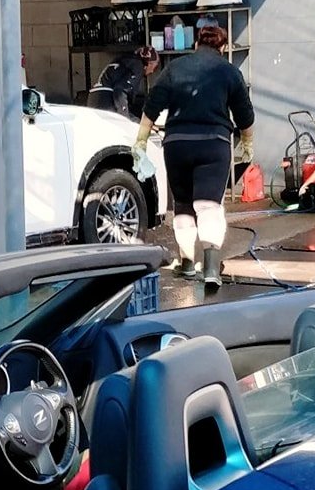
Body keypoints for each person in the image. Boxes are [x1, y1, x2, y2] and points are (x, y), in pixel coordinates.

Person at [134, 17, 255, 292]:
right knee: (209, 206)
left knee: (184, 205)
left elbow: (152, 107)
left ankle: (187, 263)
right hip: (213, 144)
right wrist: (248, 145)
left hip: (176, 145)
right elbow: (245, 116)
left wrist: (140, 141)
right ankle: (211, 268)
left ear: (195, 43)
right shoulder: (227, 71)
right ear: (222, 48)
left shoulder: (175, 67)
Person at [87, 44, 160, 119]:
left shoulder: (124, 60)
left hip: (93, 99)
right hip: (106, 100)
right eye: (155, 66)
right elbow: (120, 91)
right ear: (149, 63)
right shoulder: (138, 65)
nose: (152, 71)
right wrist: (125, 118)